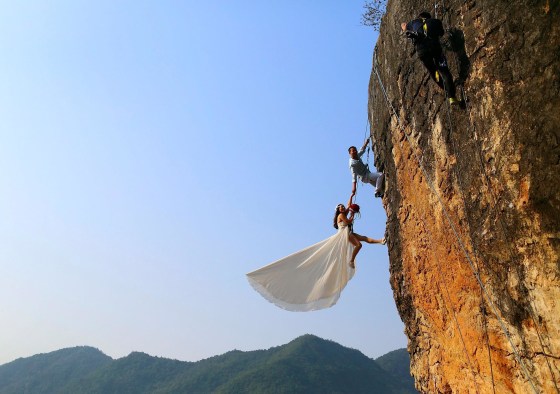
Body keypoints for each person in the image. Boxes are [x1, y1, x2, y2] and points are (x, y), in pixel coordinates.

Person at [246, 195, 384, 312]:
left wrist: (352, 193)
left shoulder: (344, 211)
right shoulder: (342, 215)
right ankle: (351, 260)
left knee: (365, 239)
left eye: (343, 206)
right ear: (338, 210)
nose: (343, 207)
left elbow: (349, 204)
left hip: (348, 232)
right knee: (359, 244)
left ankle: (381, 241)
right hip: (343, 234)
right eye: (341, 207)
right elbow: (348, 220)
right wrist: (352, 213)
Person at [401, 12, 461, 106]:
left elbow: (405, 28)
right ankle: (452, 97)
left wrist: (404, 27)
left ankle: (445, 88)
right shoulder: (436, 21)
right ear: (429, 17)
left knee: (434, 72)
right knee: (444, 71)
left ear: (419, 17)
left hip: (423, 52)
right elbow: (441, 33)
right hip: (435, 49)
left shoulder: (413, 23)